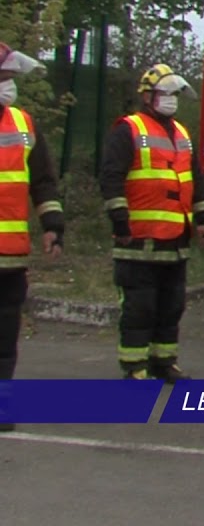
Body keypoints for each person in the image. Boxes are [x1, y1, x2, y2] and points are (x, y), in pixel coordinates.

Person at [100, 64, 204, 381]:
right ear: (148, 96)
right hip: (138, 241)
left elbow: (195, 181)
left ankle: (164, 362)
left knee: (171, 306)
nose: (171, 100)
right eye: (165, 94)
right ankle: (135, 366)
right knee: (139, 308)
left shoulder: (181, 134)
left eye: (174, 94)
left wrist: (203, 218)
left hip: (175, 241)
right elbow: (111, 178)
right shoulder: (128, 129)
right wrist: (120, 221)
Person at [0, 43, 64, 431]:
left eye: (10, 78)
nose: (10, 85)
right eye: (4, 77)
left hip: (10, 256)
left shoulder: (24, 124)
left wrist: (53, 227)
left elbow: (42, 182)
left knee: (5, 337)